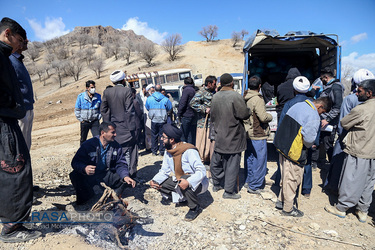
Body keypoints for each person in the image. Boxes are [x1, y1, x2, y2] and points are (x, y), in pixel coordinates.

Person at [0, 17, 41, 243]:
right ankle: (11, 227)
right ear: (8, 33)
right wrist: (14, 104)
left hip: (11, 117)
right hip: (7, 119)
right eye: (19, 39)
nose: (22, 44)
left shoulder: (8, 56)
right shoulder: (3, 56)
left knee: (15, 166)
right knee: (16, 168)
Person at [324, 79, 375, 223]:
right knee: (369, 182)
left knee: (351, 180)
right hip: (373, 151)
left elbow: (344, 123)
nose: (356, 93)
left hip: (359, 149)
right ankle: (362, 210)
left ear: (369, 93)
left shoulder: (361, 109)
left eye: (359, 91)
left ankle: (342, 208)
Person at [274, 96, 331, 217]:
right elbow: (309, 139)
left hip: (282, 144)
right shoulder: (313, 115)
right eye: (323, 112)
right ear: (320, 106)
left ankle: (281, 200)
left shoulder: (298, 105)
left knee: (285, 174)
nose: (321, 115)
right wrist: (310, 145)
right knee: (293, 179)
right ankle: (288, 208)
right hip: (294, 150)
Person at [150, 124, 208, 221]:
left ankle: (194, 208)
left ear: (172, 139)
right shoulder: (169, 151)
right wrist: (155, 180)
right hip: (180, 180)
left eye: (163, 137)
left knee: (184, 179)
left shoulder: (188, 150)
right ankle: (185, 198)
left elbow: (201, 171)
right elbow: (164, 171)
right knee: (161, 183)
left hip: (198, 183)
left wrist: (189, 182)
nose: (161, 139)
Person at [70, 122, 136, 204]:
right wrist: (84, 168)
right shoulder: (88, 145)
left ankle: (114, 195)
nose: (115, 135)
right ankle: (86, 197)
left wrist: (125, 176)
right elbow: (75, 162)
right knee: (75, 175)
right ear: (103, 133)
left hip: (105, 174)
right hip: (90, 175)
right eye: (113, 132)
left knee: (125, 178)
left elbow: (121, 163)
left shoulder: (116, 146)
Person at [210, 73, 250, 199]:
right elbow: (243, 114)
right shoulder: (235, 96)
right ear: (232, 83)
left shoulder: (215, 96)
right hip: (233, 135)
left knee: (217, 160)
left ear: (220, 83)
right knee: (232, 164)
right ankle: (228, 191)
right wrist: (248, 109)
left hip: (219, 133)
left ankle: (216, 184)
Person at [278, 76, 316, 198]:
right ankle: (306, 189)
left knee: (287, 165)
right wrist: (314, 140)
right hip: (306, 139)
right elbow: (316, 123)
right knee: (307, 161)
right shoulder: (312, 104)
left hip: (291, 141)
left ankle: (285, 189)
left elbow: (282, 122)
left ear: (294, 89)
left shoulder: (289, 103)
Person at [101, 70, 138, 178]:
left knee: (114, 151)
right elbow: (129, 111)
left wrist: (108, 124)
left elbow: (103, 110)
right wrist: (132, 128)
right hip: (126, 127)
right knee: (127, 152)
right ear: (123, 80)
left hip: (112, 127)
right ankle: (126, 176)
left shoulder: (107, 92)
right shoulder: (126, 91)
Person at [243, 75, 273, 194]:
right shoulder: (258, 99)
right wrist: (270, 116)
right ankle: (255, 185)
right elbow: (263, 117)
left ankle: (248, 180)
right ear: (259, 86)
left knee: (250, 157)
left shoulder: (245, 97)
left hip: (248, 131)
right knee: (260, 160)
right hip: (258, 132)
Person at [10, 38, 34, 150]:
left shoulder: (18, 60)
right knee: (20, 148)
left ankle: (26, 167)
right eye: (23, 38)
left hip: (28, 108)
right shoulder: (9, 60)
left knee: (26, 146)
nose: (27, 40)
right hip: (20, 111)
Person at [318, 66, 344, 163]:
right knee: (322, 142)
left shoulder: (336, 87)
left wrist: (327, 119)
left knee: (328, 144)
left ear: (326, 77)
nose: (321, 81)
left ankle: (332, 166)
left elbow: (338, 106)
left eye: (322, 79)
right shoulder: (328, 87)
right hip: (324, 121)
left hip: (330, 123)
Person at [190, 75, 217, 164]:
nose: (215, 85)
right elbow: (193, 103)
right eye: (214, 83)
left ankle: (208, 159)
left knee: (210, 144)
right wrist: (204, 109)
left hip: (212, 122)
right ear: (209, 84)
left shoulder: (214, 92)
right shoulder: (201, 92)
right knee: (201, 143)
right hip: (203, 123)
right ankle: (200, 160)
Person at [145, 84, 172, 156]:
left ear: (155, 89)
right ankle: (161, 151)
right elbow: (169, 107)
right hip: (163, 119)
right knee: (162, 136)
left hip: (154, 119)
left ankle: (154, 151)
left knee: (154, 135)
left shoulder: (149, 99)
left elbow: (147, 107)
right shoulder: (165, 99)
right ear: (161, 90)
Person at [75, 80, 101, 145]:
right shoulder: (81, 97)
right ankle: (82, 153)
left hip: (94, 121)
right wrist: (81, 120)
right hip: (85, 122)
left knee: (98, 138)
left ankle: (98, 153)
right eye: (92, 87)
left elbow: (101, 109)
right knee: (83, 139)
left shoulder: (98, 97)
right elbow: (77, 109)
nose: (93, 89)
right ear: (87, 88)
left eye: (94, 87)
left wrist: (98, 117)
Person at [177, 77, 197, 145]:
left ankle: (185, 150)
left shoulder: (186, 90)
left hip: (186, 115)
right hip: (193, 115)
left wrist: (179, 114)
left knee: (183, 135)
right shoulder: (193, 90)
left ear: (185, 83)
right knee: (191, 135)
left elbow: (183, 103)